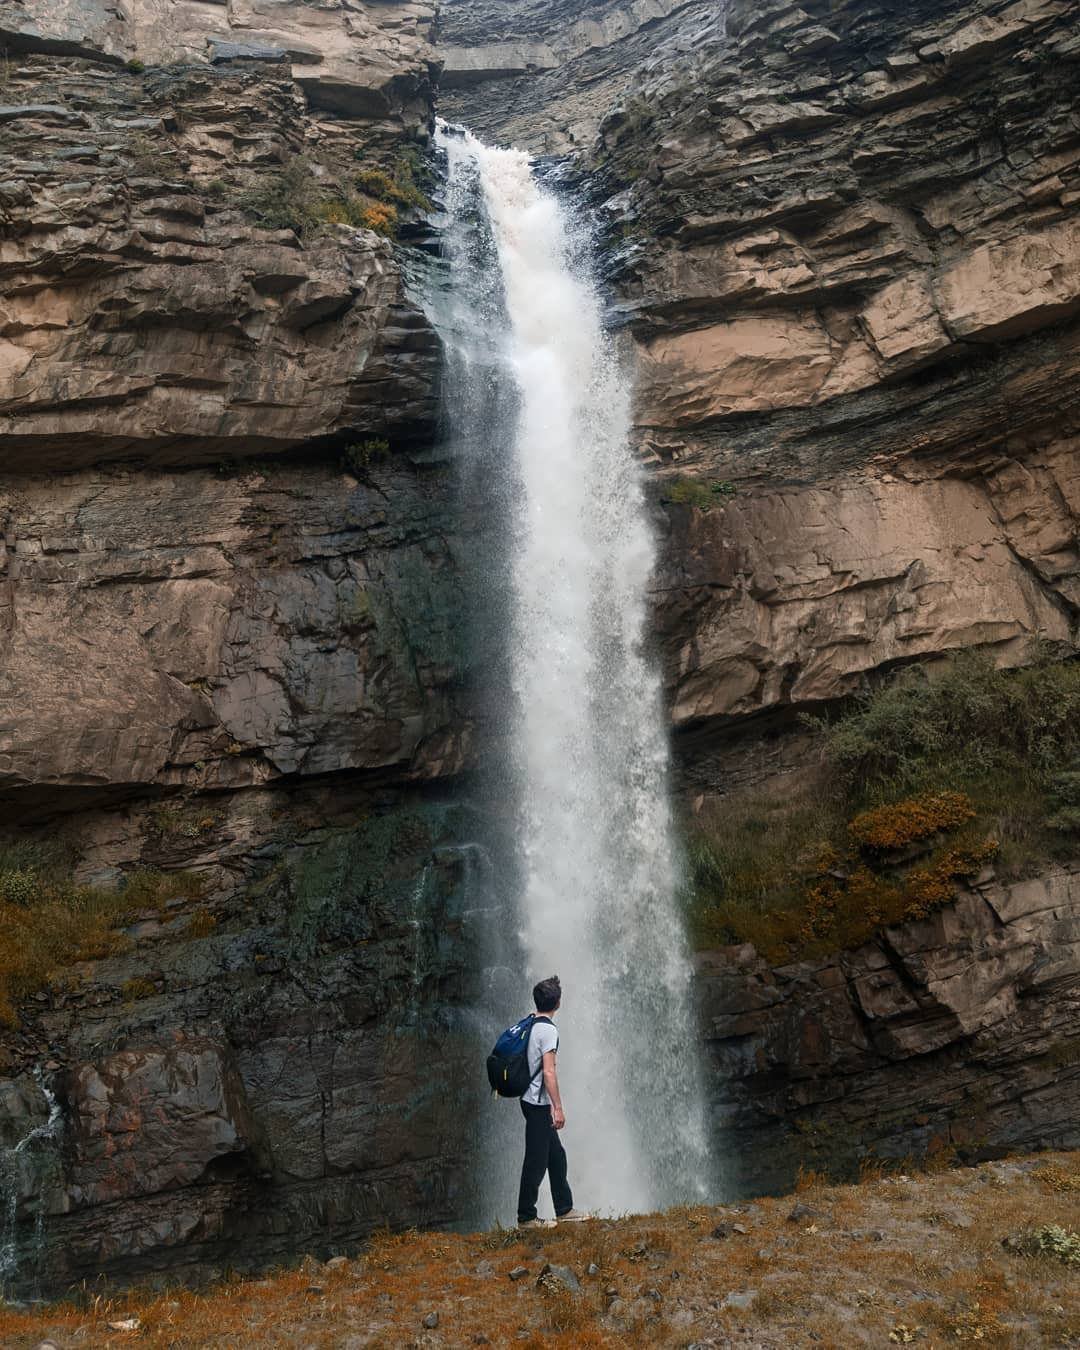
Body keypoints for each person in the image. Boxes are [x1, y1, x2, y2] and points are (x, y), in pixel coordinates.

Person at [517, 975, 591, 1228]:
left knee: (556, 1156)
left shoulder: (531, 1022)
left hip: (530, 1100)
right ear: (557, 1002)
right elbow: (549, 1072)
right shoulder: (548, 1030)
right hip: (538, 1104)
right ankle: (526, 1217)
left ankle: (564, 1209)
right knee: (536, 1161)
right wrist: (557, 1108)